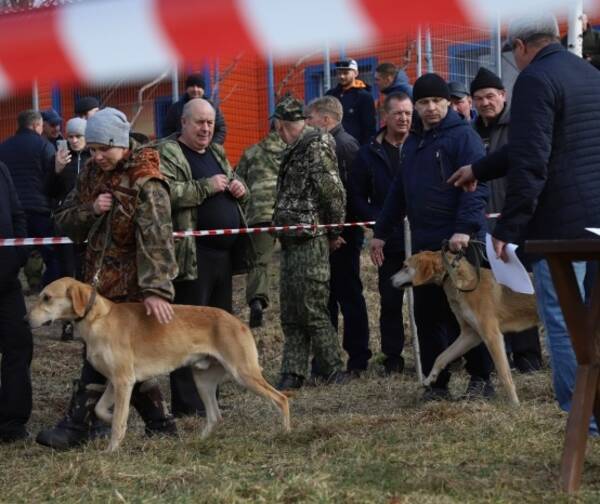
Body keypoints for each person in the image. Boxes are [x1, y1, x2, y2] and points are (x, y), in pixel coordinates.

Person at [449, 14, 600, 432]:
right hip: (597, 219)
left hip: (561, 229)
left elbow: (532, 160)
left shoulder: (534, 79)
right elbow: (533, 145)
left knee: (564, 320)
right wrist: (480, 167)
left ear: (519, 46)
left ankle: (580, 421)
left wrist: (510, 228)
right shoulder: (589, 74)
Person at [36, 107, 179, 449]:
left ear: (121, 143)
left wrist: (156, 289)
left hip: (132, 288)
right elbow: (64, 220)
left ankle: (77, 425)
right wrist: (90, 210)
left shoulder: (146, 179)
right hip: (97, 286)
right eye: (93, 150)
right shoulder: (89, 175)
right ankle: (160, 423)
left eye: (104, 149)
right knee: (114, 358)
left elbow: (157, 238)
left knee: (105, 356)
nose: (97, 156)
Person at [370, 73, 493, 401]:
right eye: (423, 103)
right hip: (426, 247)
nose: (431, 108)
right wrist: (380, 233)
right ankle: (436, 383)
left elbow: (477, 186)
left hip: (459, 244)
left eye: (437, 101)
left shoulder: (463, 137)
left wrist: (464, 229)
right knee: (427, 315)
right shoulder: (413, 143)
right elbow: (399, 192)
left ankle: (482, 379)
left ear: (448, 103)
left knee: (468, 313)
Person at [154, 98, 252, 417]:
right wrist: (205, 187)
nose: (206, 128)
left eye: (210, 122)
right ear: (183, 123)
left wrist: (240, 188)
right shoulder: (168, 152)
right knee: (187, 332)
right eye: (199, 122)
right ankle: (186, 404)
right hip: (192, 256)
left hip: (223, 257)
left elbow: (234, 182)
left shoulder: (217, 152)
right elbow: (165, 194)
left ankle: (211, 397)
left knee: (217, 331)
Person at [272, 95, 348, 391]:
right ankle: (293, 370)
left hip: (310, 239)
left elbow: (332, 190)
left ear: (281, 125)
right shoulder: (295, 148)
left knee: (312, 308)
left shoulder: (316, 144)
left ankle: (332, 368)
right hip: (291, 240)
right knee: (291, 311)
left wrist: (332, 230)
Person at [470, 66, 542, 373]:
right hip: (483, 225)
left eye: (490, 96)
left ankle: (528, 357)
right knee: (493, 291)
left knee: (520, 288)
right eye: (479, 98)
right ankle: (498, 355)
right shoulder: (472, 132)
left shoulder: (518, 127)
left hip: (517, 221)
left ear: (503, 95)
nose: (485, 102)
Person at [305, 95, 370, 376]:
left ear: (326, 120)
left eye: (311, 118)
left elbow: (348, 194)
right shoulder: (326, 144)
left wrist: (339, 232)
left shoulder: (344, 145)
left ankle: (357, 359)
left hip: (342, 237)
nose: (307, 123)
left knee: (349, 296)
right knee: (326, 298)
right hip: (329, 235)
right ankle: (326, 361)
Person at [349, 91, 413, 375]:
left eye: (409, 113)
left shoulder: (421, 146)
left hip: (422, 237)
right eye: (398, 113)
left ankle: (435, 351)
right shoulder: (367, 153)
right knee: (390, 300)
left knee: (429, 301)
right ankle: (393, 356)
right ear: (384, 116)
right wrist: (380, 222)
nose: (404, 118)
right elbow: (357, 197)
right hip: (387, 240)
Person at [0, 109, 61, 289]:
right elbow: (52, 176)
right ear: (36, 125)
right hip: (38, 208)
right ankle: (48, 288)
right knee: (51, 253)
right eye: (42, 126)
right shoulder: (44, 146)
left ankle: (22, 284)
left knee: (17, 250)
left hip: (11, 211)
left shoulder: (3, 146)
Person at [235, 129, 286, 328]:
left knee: (259, 262)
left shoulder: (251, 152)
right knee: (293, 256)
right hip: (287, 212)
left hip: (258, 213)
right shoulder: (292, 150)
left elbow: (239, 180)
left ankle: (257, 300)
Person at [0, 161, 32, 443]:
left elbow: (18, 213)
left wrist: (17, 256)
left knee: (19, 344)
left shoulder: (2, 168)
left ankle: (13, 421)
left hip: (6, 280)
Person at [162, 73, 227, 143]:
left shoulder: (212, 107)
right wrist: (176, 147)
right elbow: (167, 131)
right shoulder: (176, 108)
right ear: (187, 89)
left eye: (199, 86)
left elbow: (221, 129)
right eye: (192, 86)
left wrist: (211, 146)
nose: (195, 89)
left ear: (203, 89)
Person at [326, 59, 377, 144]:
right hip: (332, 144)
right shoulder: (330, 95)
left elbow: (369, 128)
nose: (341, 76)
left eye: (346, 73)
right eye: (339, 73)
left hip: (355, 147)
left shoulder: (364, 97)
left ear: (356, 73)